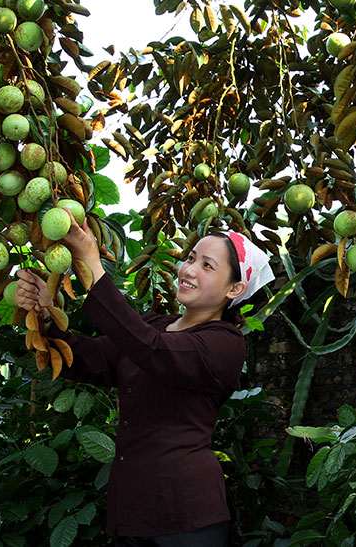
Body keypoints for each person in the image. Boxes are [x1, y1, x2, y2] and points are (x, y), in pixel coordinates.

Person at [14, 214, 275, 547]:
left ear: (235, 289)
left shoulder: (224, 343)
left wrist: (92, 261)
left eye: (207, 266)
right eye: (191, 257)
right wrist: (47, 314)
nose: (189, 269)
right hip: (131, 512)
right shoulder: (154, 323)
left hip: (186, 517)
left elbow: (151, 349)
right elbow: (91, 360)